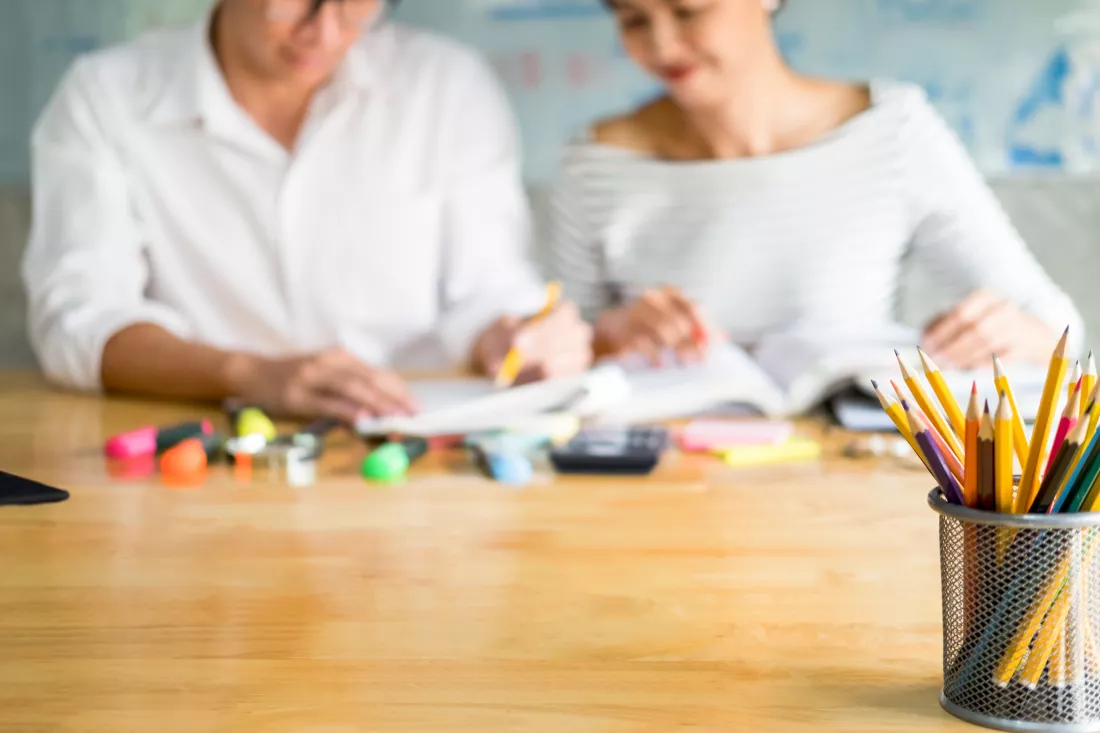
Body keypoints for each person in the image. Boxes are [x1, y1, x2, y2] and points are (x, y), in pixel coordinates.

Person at [22, 0, 592, 422]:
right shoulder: (107, 95)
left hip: (413, 442)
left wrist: (510, 336)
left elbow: (488, 287)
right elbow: (78, 320)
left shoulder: (445, 85)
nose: (324, 30)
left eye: (356, 2)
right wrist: (246, 375)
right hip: (197, 445)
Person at [548, 0, 1084, 369]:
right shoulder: (593, 162)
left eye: (689, 10)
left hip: (845, 469)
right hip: (668, 472)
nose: (661, 44)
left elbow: (1056, 327)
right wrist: (608, 334)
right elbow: (563, 349)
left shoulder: (893, 131)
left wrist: (1010, 334)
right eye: (634, 19)